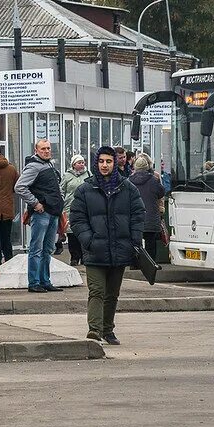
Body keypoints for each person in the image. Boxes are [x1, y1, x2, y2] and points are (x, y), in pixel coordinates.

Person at [69, 146, 145, 345]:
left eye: (108, 161)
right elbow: (76, 218)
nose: (105, 165)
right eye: (101, 161)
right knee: (96, 291)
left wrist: (133, 240)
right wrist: (89, 240)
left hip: (120, 249)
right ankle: (94, 330)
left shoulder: (127, 188)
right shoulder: (85, 189)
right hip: (95, 251)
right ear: (96, 163)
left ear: (114, 163)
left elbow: (138, 214)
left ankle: (107, 330)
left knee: (112, 293)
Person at [14, 138, 64, 293]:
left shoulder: (48, 165)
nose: (47, 151)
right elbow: (19, 187)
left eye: (48, 148)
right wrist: (35, 203)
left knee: (48, 248)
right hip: (42, 213)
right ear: (36, 150)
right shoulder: (34, 167)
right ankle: (34, 282)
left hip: (53, 212)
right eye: (43, 149)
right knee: (36, 249)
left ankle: (44, 280)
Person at [129, 153, 167, 261]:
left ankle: (135, 263)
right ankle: (151, 265)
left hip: (135, 218)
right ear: (147, 166)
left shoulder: (129, 181)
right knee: (151, 243)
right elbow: (161, 192)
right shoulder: (154, 180)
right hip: (151, 217)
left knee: (135, 242)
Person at [60, 154, 89, 266]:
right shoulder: (67, 176)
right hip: (70, 207)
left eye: (82, 162)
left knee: (84, 232)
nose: (81, 164)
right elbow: (62, 190)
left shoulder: (88, 175)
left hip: (84, 208)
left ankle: (84, 257)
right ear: (73, 165)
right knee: (72, 234)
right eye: (79, 163)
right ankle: (74, 257)